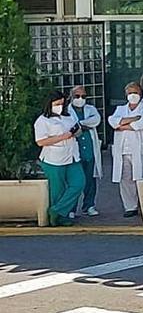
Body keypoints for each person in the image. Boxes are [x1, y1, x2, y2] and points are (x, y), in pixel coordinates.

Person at [34, 90, 86, 227]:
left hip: (72, 156)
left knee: (79, 183)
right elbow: (41, 141)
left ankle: (57, 210)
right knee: (57, 189)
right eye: (57, 104)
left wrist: (77, 132)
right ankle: (58, 218)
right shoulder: (42, 121)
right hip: (53, 158)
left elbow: (77, 130)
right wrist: (65, 136)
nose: (60, 107)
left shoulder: (68, 116)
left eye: (62, 104)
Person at [108, 81, 143, 218]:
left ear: (141, 94)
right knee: (125, 178)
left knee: (142, 177)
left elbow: (142, 123)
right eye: (130, 93)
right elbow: (112, 121)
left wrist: (121, 124)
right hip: (122, 150)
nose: (132, 95)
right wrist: (132, 119)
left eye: (135, 93)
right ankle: (130, 207)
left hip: (140, 150)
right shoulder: (120, 109)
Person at [68, 86, 103, 217]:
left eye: (83, 96)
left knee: (90, 180)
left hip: (89, 150)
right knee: (74, 181)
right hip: (74, 151)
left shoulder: (91, 109)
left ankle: (89, 205)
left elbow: (96, 120)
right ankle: (71, 209)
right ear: (71, 97)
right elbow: (69, 127)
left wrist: (79, 125)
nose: (80, 99)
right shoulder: (66, 111)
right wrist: (84, 125)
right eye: (77, 96)